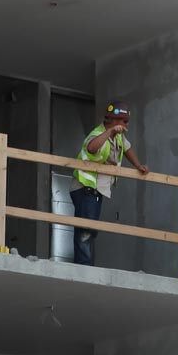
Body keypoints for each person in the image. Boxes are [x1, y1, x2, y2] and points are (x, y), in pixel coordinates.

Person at [71, 102, 147, 266]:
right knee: (86, 230)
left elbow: (127, 149)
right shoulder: (99, 134)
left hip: (95, 190)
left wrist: (138, 165)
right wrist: (110, 131)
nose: (126, 125)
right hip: (85, 188)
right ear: (113, 120)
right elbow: (92, 148)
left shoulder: (118, 136)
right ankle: (83, 267)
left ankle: (85, 265)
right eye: (124, 121)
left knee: (90, 229)